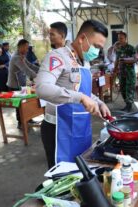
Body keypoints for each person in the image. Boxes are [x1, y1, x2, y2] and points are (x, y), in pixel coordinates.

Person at [35, 19, 111, 168]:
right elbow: (42, 87)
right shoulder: (57, 56)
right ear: (82, 38)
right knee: (62, 178)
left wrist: (99, 102)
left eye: (100, 48)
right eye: (95, 46)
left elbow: (84, 91)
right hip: (59, 130)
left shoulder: (85, 62)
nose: (97, 51)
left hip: (81, 127)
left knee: (81, 172)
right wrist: (81, 98)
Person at [7, 39, 39, 129]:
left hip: (21, 83)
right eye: (26, 48)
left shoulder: (22, 55)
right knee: (19, 105)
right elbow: (26, 69)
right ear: (20, 47)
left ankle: (28, 119)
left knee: (26, 102)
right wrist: (38, 77)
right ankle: (20, 123)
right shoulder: (16, 57)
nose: (27, 50)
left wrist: (42, 70)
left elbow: (30, 65)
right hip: (14, 85)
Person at [115, 31, 137, 112]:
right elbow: (117, 60)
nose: (120, 40)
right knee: (122, 89)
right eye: (118, 38)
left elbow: (135, 59)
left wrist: (125, 60)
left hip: (129, 73)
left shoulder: (131, 48)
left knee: (129, 89)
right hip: (121, 72)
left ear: (125, 39)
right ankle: (126, 104)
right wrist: (114, 69)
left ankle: (129, 105)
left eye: (121, 38)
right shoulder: (119, 49)